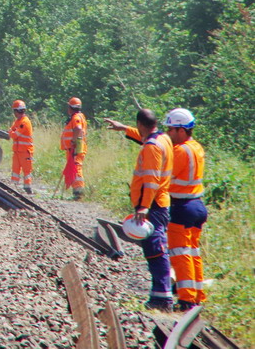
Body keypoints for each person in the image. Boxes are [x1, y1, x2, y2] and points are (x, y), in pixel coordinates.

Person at [107, 108, 208, 311]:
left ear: (181, 130)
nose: (168, 132)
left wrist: (144, 206)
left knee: (179, 254)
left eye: (171, 129)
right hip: (196, 204)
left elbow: (155, 157)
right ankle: (196, 296)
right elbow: (156, 140)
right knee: (192, 253)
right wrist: (125, 129)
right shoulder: (194, 147)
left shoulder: (179, 151)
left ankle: (184, 300)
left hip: (180, 206)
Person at [104, 109, 174, 311]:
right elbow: (144, 137)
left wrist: (144, 206)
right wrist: (124, 128)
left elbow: (151, 180)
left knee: (155, 249)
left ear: (140, 124)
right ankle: (160, 294)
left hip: (153, 205)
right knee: (155, 247)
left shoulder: (152, 147)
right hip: (159, 201)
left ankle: (163, 298)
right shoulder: (163, 138)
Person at [60, 97, 87, 199]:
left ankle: (78, 192)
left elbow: (78, 128)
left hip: (75, 147)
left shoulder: (76, 117)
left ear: (70, 107)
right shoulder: (79, 116)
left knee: (76, 167)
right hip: (75, 146)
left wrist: (73, 141)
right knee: (74, 167)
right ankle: (76, 191)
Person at [8, 100, 34, 194]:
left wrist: (11, 131)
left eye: (15, 111)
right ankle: (14, 187)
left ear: (17, 111)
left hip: (25, 151)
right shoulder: (17, 121)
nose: (14, 113)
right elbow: (13, 131)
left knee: (26, 170)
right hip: (17, 151)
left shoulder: (24, 122)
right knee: (15, 170)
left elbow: (14, 134)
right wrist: (12, 131)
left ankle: (28, 188)